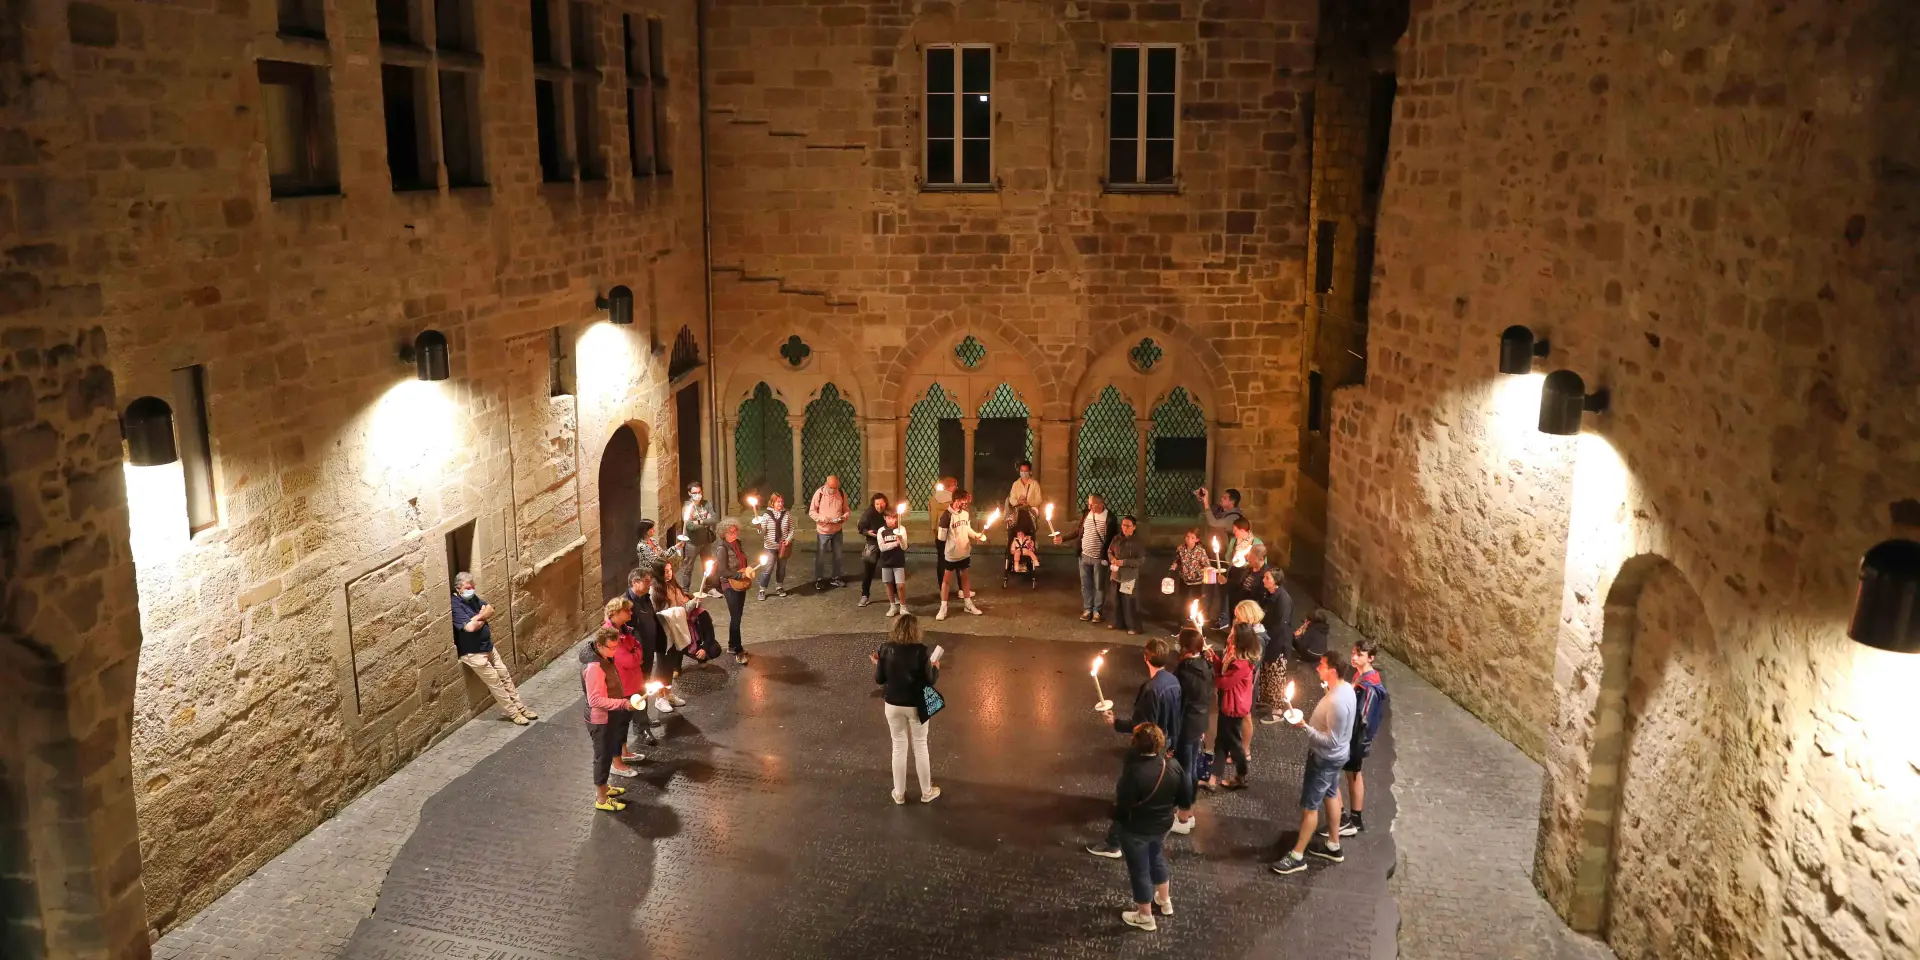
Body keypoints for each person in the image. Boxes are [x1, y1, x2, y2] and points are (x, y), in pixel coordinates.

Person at [1087, 638, 1181, 859]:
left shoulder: (1150, 689)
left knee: (1129, 794)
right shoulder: (1173, 680)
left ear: (1146, 658)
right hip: (1166, 743)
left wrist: (1116, 722)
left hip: (1148, 747)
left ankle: (1113, 843)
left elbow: (1142, 727)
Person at [1270, 652, 1356, 875]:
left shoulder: (1337, 702)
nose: (1318, 667)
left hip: (1324, 759)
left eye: (1322, 665)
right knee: (1332, 794)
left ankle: (1297, 856)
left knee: (1310, 807)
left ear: (1333, 671)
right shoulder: (1345, 689)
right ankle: (1333, 845)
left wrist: (1305, 727)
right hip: (1336, 758)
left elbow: (1332, 740)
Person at [1110, 722, 1182, 932]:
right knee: (1156, 856)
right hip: (1163, 825)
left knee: (1139, 870)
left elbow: (1123, 802)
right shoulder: (1172, 765)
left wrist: (1118, 822)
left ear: (1135, 743)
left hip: (1137, 828)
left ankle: (1145, 916)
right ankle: (1164, 900)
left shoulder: (1134, 773)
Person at [870, 613, 942, 804]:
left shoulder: (885, 649)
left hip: (892, 704)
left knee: (898, 747)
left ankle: (899, 793)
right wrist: (935, 667)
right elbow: (929, 680)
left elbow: (879, 679)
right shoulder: (921, 651)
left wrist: (879, 664)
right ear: (916, 630)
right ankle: (926, 792)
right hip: (916, 704)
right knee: (920, 745)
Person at [450, 572, 537, 725]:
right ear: (458, 589)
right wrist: (482, 616)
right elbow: (470, 628)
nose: (471, 590)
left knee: (505, 677)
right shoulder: (455, 605)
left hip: (488, 647)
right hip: (474, 653)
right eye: (468, 588)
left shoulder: (472, 598)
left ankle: (521, 708)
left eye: (473, 587)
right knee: (496, 684)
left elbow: (490, 609)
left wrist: (478, 617)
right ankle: (514, 713)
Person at [1333, 639, 1388, 838]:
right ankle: (1355, 820)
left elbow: (1362, 717)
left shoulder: (1369, 686)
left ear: (1371, 658)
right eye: (1353, 653)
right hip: (1353, 738)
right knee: (1353, 774)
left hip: (1353, 738)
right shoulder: (1362, 675)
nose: (1354, 657)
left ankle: (1343, 820)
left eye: (1359, 654)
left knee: (1333, 774)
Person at [581, 627, 638, 811]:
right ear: (599, 646)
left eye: (616, 647)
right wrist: (622, 703)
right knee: (603, 757)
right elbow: (595, 700)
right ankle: (601, 799)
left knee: (606, 755)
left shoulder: (605, 658)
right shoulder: (594, 668)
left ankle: (605, 788)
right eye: (611, 648)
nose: (614, 651)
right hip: (600, 720)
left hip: (609, 716)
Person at [592, 595, 650, 762]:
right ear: (616, 612)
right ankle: (617, 761)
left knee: (624, 723)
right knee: (619, 725)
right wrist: (636, 654)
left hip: (633, 681)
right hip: (622, 686)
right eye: (627, 610)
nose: (631, 613)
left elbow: (638, 647)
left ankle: (624, 753)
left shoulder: (625, 630)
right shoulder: (610, 634)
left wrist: (635, 652)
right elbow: (628, 660)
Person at [1169, 627, 1213, 835]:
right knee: (1192, 767)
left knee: (1186, 770)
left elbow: (1179, 701)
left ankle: (1183, 818)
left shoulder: (1185, 672)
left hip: (1186, 724)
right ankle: (1190, 812)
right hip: (1199, 722)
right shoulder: (1205, 665)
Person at [1205, 623, 1258, 790]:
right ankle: (1214, 779)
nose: (1229, 636)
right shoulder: (1235, 656)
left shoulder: (1242, 664)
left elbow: (1224, 682)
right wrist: (1215, 660)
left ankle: (1241, 776)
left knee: (1233, 744)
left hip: (1233, 708)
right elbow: (1224, 671)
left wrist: (1212, 672)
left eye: (1233, 634)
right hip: (1228, 705)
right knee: (1223, 741)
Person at [1263, 608, 1331, 725]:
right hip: (1317, 659)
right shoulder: (1323, 629)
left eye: (1307, 620)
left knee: (1290, 675)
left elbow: (1302, 647)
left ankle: (1285, 708)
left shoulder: (1311, 630)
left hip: (1308, 660)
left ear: (1310, 621)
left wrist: (1295, 637)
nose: (1305, 621)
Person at [1054, 493, 1115, 622]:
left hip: (1099, 558)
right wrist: (1063, 538)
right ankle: (1087, 609)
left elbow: (1113, 539)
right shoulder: (1087, 514)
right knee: (1085, 585)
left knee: (1099, 586)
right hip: (1084, 555)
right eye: (1089, 504)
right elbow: (1078, 531)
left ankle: (1097, 611)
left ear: (1100, 504)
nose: (1089, 507)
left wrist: (1110, 557)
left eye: (1092, 505)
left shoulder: (1110, 518)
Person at [705, 521, 755, 666]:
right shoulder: (722, 549)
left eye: (735, 531)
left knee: (737, 615)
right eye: (730, 532)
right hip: (729, 585)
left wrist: (748, 568)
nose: (734, 534)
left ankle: (732, 645)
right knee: (735, 618)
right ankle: (738, 651)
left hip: (740, 583)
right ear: (723, 534)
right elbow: (723, 571)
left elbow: (742, 561)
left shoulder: (737, 543)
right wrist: (740, 575)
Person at [934, 488, 987, 620]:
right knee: (946, 581)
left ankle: (968, 604)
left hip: (964, 552)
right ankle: (943, 607)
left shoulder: (965, 514)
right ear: (956, 500)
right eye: (964, 501)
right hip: (951, 554)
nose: (966, 504)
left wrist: (976, 535)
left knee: (965, 578)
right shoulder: (946, 516)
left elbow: (967, 528)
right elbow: (941, 538)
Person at [1196, 487, 1245, 627]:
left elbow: (1213, 523)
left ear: (1232, 502)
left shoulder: (1234, 517)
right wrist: (1201, 498)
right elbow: (1205, 510)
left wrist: (1206, 503)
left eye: (1225, 498)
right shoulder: (1220, 510)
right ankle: (1204, 613)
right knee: (1208, 585)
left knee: (1222, 588)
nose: (1221, 499)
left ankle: (1224, 619)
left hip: (1223, 559)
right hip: (1211, 556)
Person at [808, 475, 850, 590]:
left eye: (835, 487)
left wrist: (844, 517)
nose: (833, 490)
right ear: (826, 484)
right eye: (831, 487)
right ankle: (819, 579)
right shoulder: (819, 494)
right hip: (823, 531)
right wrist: (823, 519)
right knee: (821, 556)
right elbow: (812, 512)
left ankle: (836, 578)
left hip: (837, 530)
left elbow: (846, 510)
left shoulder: (841, 493)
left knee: (838, 556)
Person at [1105, 515, 1146, 635]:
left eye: (1128, 526)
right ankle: (1117, 622)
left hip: (1129, 576)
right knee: (1115, 600)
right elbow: (1109, 551)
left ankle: (1132, 626)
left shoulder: (1137, 542)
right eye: (1123, 525)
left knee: (1129, 602)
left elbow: (1140, 560)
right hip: (1116, 574)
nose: (1125, 528)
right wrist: (1112, 558)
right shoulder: (1117, 538)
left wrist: (1124, 562)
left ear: (1134, 527)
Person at [752, 492, 795, 600]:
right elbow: (763, 532)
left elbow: (792, 528)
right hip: (770, 547)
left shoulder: (787, 514)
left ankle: (779, 587)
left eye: (782, 501)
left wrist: (788, 540)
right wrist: (759, 527)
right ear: (772, 503)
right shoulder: (767, 515)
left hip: (783, 547)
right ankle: (762, 589)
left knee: (781, 568)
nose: (780, 504)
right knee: (768, 568)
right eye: (778, 502)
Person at [1168, 529, 1209, 630]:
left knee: (1197, 602)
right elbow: (1178, 559)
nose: (1189, 539)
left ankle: (1198, 626)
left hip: (1197, 582)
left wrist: (1205, 571)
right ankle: (1180, 625)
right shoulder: (1181, 548)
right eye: (1187, 537)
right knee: (1182, 602)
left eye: (1192, 538)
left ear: (1197, 539)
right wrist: (1175, 564)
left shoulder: (1200, 551)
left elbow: (1206, 564)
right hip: (1184, 580)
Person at [856, 492, 892, 606]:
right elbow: (861, 526)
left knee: (890, 569)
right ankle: (865, 595)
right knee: (868, 570)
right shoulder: (869, 513)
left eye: (881, 503)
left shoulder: (889, 512)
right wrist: (867, 532)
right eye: (877, 504)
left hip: (887, 542)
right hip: (873, 543)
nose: (879, 506)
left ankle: (894, 595)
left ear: (885, 503)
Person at [682, 482, 717, 594]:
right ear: (689, 493)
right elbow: (689, 526)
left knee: (708, 565)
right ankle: (685, 590)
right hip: (692, 543)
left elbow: (714, 519)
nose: (698, 494)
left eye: (699, 492)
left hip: (705, 541)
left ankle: (709, 587)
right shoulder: (687, 507)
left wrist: (699, 521)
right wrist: (705, 522)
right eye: (694, 492)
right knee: (688, 567)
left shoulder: (707, 504)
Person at [876, 508, 910, 616]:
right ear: (885, 518)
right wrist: (895, 543)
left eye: (893, 518)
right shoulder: (881, 531)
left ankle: (903, 607)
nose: (891, 520)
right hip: (886, 561)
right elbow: (882, 547)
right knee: (889, 584)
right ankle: (892, 606)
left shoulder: (901, 529)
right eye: (889, 518)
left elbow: (904, 547)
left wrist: (901, 539)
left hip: (898, 560)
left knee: (900, 585)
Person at [634, 519, 670, 585]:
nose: (654, 530)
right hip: (649, 576)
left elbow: (663, 554)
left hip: (657, 574)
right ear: (646, 531)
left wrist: (677, 547)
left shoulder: (653, 540)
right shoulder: (642, 546)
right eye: (652, 529)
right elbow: (655, 562)